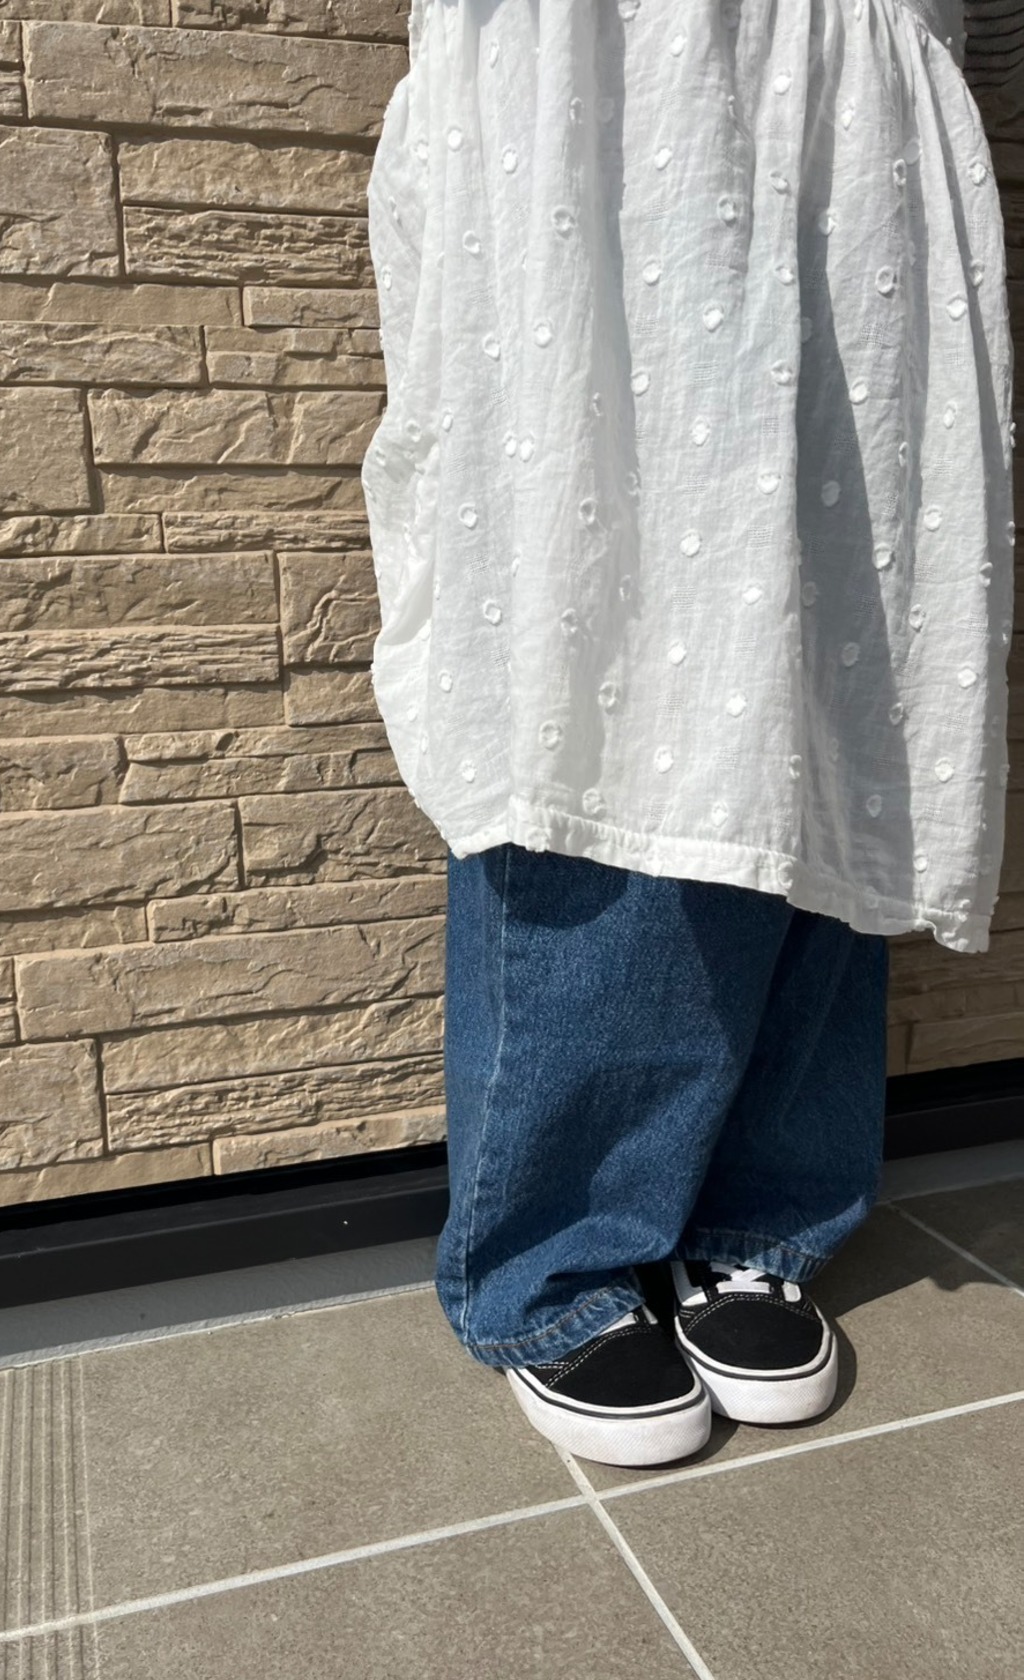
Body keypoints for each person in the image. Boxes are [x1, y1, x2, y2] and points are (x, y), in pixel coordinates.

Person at [362, 0, 1017, 1468]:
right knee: (606, 641)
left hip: (870, 84)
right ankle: (558, 1255)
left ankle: (764, 1213)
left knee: (839, 665)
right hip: (612, 65)